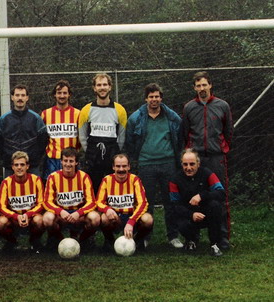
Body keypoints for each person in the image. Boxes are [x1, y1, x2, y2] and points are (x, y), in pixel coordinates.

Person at [126, 83, 183, 248]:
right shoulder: (136, 118)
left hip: (168, 164)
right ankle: (145, 236)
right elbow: (130, 142)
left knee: (171, 202)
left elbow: (179, 139)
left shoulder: (172, 117)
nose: (154, 99)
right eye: (151, 97)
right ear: (146, 98)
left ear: (161, 98)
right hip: (146, 164)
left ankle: (173, 236)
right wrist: (137, 159)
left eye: (157, 96)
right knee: (146, 203)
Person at [182, 71, 233, 249]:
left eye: (204, 85)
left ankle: (222, 238)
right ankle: (193, 237)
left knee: (220, 196)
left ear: (210, 85)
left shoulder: (222, 106)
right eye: (198, 86)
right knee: (193, 197)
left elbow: (228, 131)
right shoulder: (189, 107)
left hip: (216, 157)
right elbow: (185, 133)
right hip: (197, 160)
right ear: (194, 88)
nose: (201, 88)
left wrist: (221, 148)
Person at [169, 149, 225, 256]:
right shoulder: (175, 180)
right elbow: (175, 205)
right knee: (178, 219)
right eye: (185, 164)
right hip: (188, 214)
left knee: (216, 206)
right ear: (181, 164)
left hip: (205, 211)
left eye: (192, 164)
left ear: (198, 164)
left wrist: (202, 195)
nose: (188, 168)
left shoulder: (207, 173)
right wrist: (191, 214)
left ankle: (215, 244)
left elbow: (221, 193)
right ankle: (191, 239)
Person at [42, 147, 100, 251]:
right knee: (47, 218)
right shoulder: (53, 177)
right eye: (65, 161)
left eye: (71, 161)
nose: (68, 164)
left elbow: (92, 202)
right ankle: (58, 239)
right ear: (61, 162)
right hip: (61, 215)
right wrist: (60, 211)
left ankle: (83, 240)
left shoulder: (84, 177)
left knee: (95, 218)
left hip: (78, 215)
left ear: (76, 163)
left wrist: (79, 212)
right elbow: (47, 201)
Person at [78, 73, 127, 194]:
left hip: (112, 156)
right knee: (94, 190)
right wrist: (90, 151)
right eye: (99, 85)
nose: (102, 87)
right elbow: (82, 136)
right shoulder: (86, 110)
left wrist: (115, 153)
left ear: (110, 87)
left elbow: (122, 136)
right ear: (94, 88)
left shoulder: (119, 109)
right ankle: (94, 212)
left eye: (105, 84)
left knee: (112, 190)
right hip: (93, 158)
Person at [96, 153, 153, 252]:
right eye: (118, 166)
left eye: (124, 166)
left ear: (129, 166)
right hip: (115, 217)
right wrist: (107, 209)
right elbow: (98, 202)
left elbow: (143, 203)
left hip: (132, 216)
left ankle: (137, 241)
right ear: (113, 167)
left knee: (148, 219)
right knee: (104, 218)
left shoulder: (135, 180)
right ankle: (110, 241)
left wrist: (131, 221)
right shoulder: (107, 180)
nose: (121, 169)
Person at [0, 151, 45, 252]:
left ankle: (34, 241)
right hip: (13, 218)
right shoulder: (6, 182)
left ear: (27, 166)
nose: (19, 167)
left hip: (31, 217)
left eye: (22, 164)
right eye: (16, 165)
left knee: (40, 220)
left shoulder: (36, 180)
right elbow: (1, 206)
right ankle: (11, 241)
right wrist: (16, 216)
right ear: (12, 167)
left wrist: (28, 214)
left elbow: (41, 203)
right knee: (0, 222)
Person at [0, 84, 47, 177]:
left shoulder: (35, 118)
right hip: (10, 167)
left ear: (27, 98)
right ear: (12, 97)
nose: (20, 98)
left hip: (32, 166)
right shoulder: (4, 119)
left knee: (34, 191)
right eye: (17, 95)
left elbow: (43, 140)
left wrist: (34, 158)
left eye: (23, 95)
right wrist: (7, 158)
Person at [41, 80, 81, 180]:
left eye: (64, 93)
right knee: (52, 189)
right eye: (59, 93)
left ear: (69, 94)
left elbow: (82, 137)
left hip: (71, 160)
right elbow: (41, 138)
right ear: (54, 94)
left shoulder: (78, 114)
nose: (62, 96)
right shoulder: (46, 114)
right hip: (52, 160)